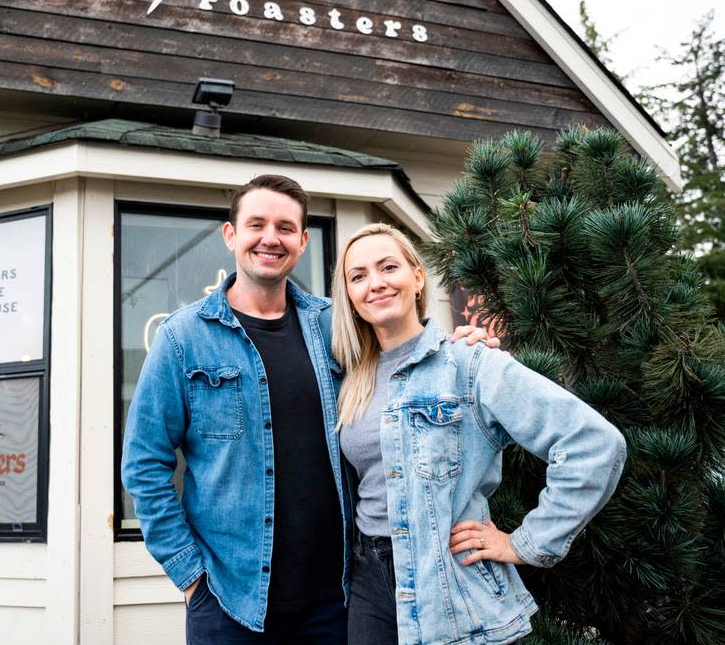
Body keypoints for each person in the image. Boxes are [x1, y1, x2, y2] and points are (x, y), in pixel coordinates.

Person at [121, 175, 494, 644]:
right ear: (231, 235)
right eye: (256, 224)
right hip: (229, 600)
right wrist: (190, 575)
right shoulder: (183, 338)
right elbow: (143, 464)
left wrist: (459, 350)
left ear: (301, 242)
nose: (270, 238)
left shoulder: (334, 326)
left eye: (285, 227)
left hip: (333, 601)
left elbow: (407, 358)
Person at [333, 222, 626, 645]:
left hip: (450, 584)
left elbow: (594, 444)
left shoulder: (470, 365)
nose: (375, 283)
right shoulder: (349, 378)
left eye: (388, 267)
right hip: (368, 581)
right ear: (349, 297)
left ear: (418, 277)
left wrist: (525, 543)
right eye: (358, 276)